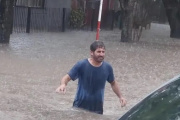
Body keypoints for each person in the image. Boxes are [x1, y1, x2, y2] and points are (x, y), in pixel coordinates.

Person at [56, 41, 127, 114]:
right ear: (91, 53)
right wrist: (63, 84)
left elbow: (113, 83)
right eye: (99, 52)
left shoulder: (107, 67)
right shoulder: (82, 64)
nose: (101, 54)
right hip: (79, 108)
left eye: (103, 52)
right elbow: (67, 77)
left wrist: (120, 96)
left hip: (98, 110)